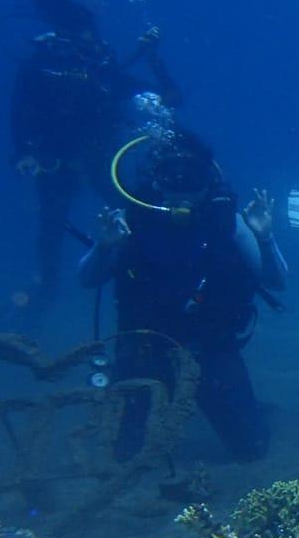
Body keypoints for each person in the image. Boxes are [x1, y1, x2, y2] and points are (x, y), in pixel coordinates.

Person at [79, 130, 286, 462]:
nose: (182, 194)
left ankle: (252, 411)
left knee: (252, 448)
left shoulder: (227, 221)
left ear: (208, 182)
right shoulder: (131, 221)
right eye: (171, 180)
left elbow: (277, 282)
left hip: (212, 349)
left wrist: (264, 238)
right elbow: (88, 279)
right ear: (156, 181)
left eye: (192, 181)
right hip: (143, 350)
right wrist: (104, 247)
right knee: (124, 455)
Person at [12, 0, 180, 316]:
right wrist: (25, 152)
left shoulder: (102, 71)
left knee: (132, 215)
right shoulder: (40, 68)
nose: (86, 50)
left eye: (89, 41)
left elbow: (170, 99)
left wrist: (153, 58)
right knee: (51, 229)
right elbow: (21, 113)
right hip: (58, 164)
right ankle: (43, 295)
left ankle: (146, 277)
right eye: (80, 41)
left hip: (102, 160)